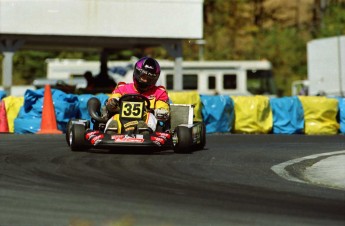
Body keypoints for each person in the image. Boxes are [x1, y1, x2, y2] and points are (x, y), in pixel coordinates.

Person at [104, 57, 170, 134]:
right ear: (137, 73)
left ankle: (144, 131)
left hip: (145, 119)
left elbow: (162, 107)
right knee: (115, 117)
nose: (145, 80)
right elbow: (113, 100)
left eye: (149, 79)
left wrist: (161, 111)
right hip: (122, 119)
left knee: (150, 117)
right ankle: (111, 131)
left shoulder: (159, 92)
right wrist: (113, 103)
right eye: (143, 77)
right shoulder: (122, 88)